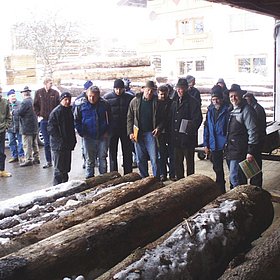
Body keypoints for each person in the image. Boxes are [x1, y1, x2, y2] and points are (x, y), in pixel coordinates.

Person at [127, 80, 164, 179]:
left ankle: (156, 179)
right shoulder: (135, 101)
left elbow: (163, 119)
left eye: (152, 91)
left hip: (151, 134)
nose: (149, 93)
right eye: (148, 90)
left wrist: (158, 128)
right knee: (140, 159)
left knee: (154, 158)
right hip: (138, 133)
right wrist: (130, 132)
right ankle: (145, 179)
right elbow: (130, 118)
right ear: (143, 89)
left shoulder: (157, 103)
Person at [225, 84, 259, 188]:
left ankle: (239, 199)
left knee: (235, 177)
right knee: (237, 177)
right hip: (231, 149)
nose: (233, 98)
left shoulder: (246, 110)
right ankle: (239, 199)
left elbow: (252, 130)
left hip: (240, 150)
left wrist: (250, 151)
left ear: (240, 95)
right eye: (231, 96)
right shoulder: (231, 110)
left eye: (235, 96)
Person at [74, 85, 111, 179]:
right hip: (88, 136)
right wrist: (81, 132)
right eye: (90, 96)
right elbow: (76, 120)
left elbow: (110, 118)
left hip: (102, 135)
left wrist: (108, 131)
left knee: (102, 159)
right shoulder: (81, 105)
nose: (92, 98)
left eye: (94, 96)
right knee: (89, 160)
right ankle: (89, 179)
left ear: (98, 95)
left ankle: (104, 179)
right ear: (87, 95)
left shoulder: (104, 104)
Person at [169, 78, 203, 179]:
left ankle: (190, 182)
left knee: (189, 164)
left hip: (188, 139)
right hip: (176, 139)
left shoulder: (193, 102)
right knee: (177, 163)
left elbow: (198, 119)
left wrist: (188, 130)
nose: (180, 91)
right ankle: (180, 182)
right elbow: (171, 119)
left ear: (187, 88)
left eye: (183, 88)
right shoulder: (174, 101)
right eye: (178, 88)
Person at [103, 79, 134, 174]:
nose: (118, 91)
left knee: (127, 152)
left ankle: (128, 173)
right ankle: (113, 173)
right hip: (113, 129)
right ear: (113, 88)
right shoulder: (107, 98)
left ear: (124, 89)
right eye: (116, 89)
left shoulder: (129, 98)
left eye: (120, 89)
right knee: (112, 152)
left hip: (126, 129)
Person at [203, 85, 229, 193]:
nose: (215, 101)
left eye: (217, 99)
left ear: (222, 99)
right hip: (214, 143)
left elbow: (230, 128)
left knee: (232, 169)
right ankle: (220, 190)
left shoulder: (227, 110)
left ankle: (234, 188)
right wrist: (206, 144)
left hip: (226, 144)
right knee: (217, 168)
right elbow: (207, 128)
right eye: (213, 99)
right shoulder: (210, 110)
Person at [48, 92, 77, 185]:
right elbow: (51, 129)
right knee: (59, 169)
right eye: (65, 100)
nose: (67, 102)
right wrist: (60, 141)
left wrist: (73, 141)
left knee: (66, 168)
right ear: (61, 100)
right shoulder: (56, 112)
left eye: (69, 100)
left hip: (67, 145)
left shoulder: (69, 110)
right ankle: (56, 188)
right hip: (58, 146)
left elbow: (71, 127)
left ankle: (65, 185)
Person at [33, 77, 60, 169]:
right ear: (45, 83)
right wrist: (38, 114)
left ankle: (56, 160)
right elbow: (35, 105)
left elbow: (58, 106)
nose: (51, 85)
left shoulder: (55, 93)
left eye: (52, 83)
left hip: (53, 121)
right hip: (44, 120)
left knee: (55, 141)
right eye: (50, 83)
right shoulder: (39, 92)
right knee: (46, 142)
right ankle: (48, 161)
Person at [243, 92, 266, 187]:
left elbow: (256, 127)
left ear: (251, 99)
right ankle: (255, 184)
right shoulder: (256, 107)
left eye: (247, 100)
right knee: (253, 165)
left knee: (255, 165)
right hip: (257, 139)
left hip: (257, 141)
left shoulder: (256, 109)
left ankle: (256, 186)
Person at [18, 86, 41, 167]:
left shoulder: (24, 102)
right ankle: (36, 158)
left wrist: (15, 111)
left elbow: (20, 113)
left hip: (26, 127)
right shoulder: (33, 101)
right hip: (34, 126)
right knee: (35, 144)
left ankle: (28, 159)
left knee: (27, 145)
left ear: (24, 93)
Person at [73, 80, 93, 169]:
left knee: (88, 146)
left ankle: (89, 160)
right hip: (84, 126)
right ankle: (86, 161)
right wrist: (80, 129)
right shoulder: (80, 100)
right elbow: (75, 115)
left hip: (90, 126)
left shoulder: (93, 97)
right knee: (85, 146)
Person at [157, 84, 175, 181]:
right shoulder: (155, 104)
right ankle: (162, 174)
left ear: (168, 93)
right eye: (161, 94)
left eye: (164, 94)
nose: (163, 96)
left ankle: (172, 174)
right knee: (161, 155)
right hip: (160, 133)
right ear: (158, 94)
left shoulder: (172, 103)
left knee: (172, 154)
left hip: (170, 131)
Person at [6, 89, 25, 163]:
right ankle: (14, 156)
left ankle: (21, 156)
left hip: (19, 127)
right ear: (8, 97)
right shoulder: (6, 105)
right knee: (11, 142)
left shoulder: (20, 104)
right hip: (10, 127)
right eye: (12, 96)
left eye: (14, 95)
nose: (13, 97)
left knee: (21, 142)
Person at [0, 86, 12, 177]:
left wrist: (7, 126)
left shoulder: (5, 102)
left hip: (2, 130)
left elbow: (9, 116)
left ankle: (2, 170)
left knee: (1, 152)